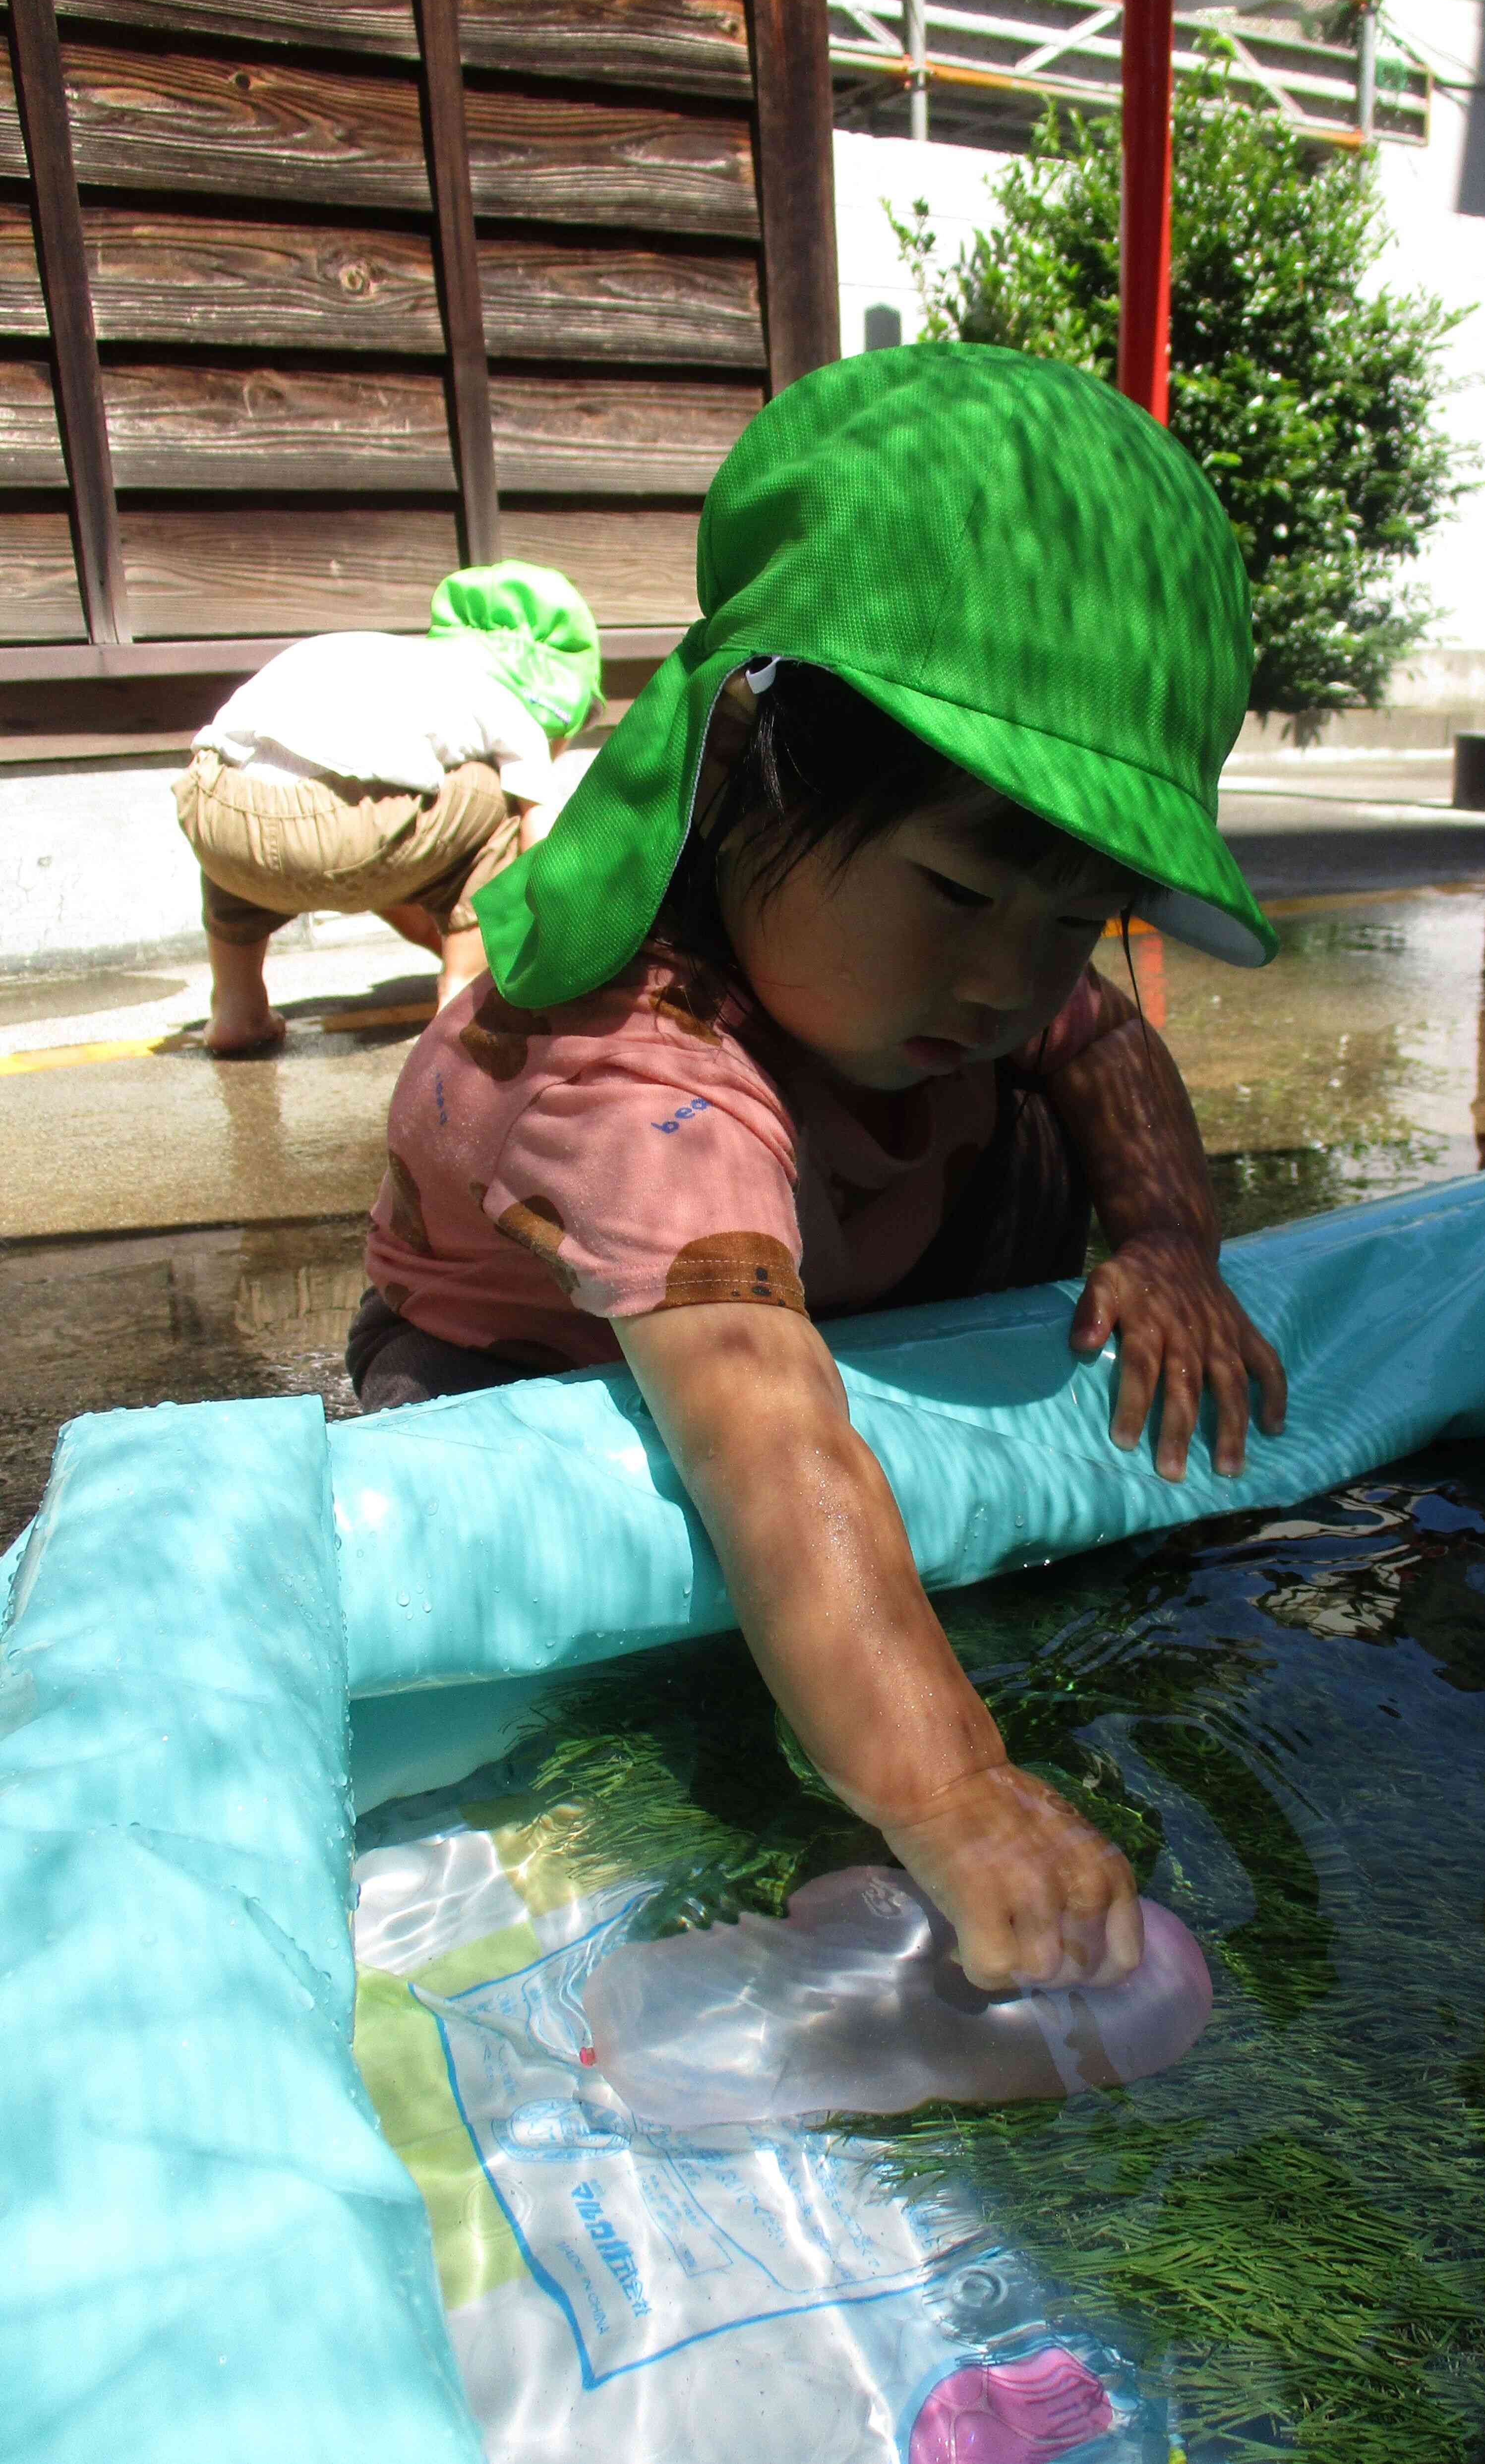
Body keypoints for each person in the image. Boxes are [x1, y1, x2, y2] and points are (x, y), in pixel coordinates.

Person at [348, 346, 1287, 1999]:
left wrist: (1161, 1239)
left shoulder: (945, 980)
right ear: (744, 782)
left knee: (1027, 1101)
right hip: (542, 1360)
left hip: (855, 1246)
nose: (1008, 973)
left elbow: (1100, 1045)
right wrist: (952, 1790)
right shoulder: (636, 1072)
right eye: (956, 894)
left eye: (1072, 911)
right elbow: (780, 1465)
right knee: (591, 1667)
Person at [173, 560, 604, 1053]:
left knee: (246, 784)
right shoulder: (505, 702)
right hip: (350, 833)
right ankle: (463, 1000)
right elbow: (537, 837)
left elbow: (388, 877)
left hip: (213, 815)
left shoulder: (386, 658)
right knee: (504, 799)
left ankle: (236, 1008)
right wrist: (546, 940)